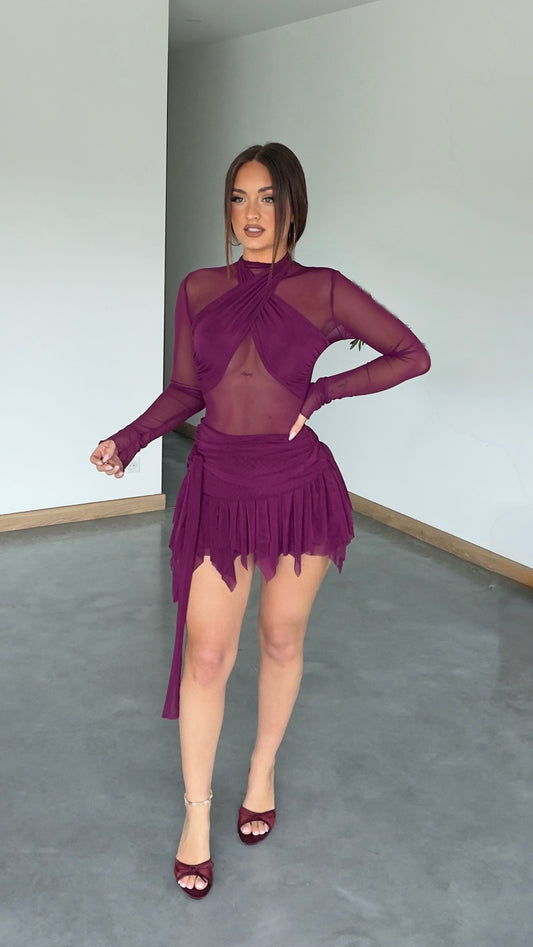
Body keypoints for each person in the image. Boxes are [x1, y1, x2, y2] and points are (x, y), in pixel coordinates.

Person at [90, 142, 430, 899]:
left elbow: (411, 354)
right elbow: (187, 388)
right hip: (217, 484)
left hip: (296, 489)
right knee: (207, 654)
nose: (250, 213)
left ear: (292, 206)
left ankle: (262, 770)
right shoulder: (199, 287)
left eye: (267, 198)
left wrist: (323, 392)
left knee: (281, 637)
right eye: (239, 197)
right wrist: (130, 439)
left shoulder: (323, 289)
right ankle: (196, 814)